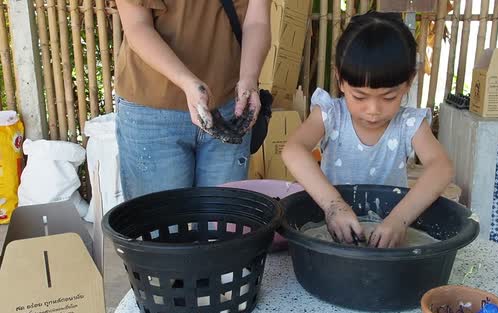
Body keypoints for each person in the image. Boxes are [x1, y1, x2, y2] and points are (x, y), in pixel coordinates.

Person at [282, 12, 453, 248]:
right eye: (360, 96)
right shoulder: (331, 114)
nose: (373, 110)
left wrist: (399, 220)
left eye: (389, 97)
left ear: (409, 82)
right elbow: (293, 150)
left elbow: (442, 168)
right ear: (340, 80)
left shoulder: (409, 124)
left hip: (389, 234)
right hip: (335, 234)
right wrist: (334, 206)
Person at [115, 0, 270, 199]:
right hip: (153, 111)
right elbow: (137, 26)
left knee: (221, 224)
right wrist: (187, 83)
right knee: (161, 224)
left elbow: (257, 20)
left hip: (230, 103)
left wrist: (249, 78)